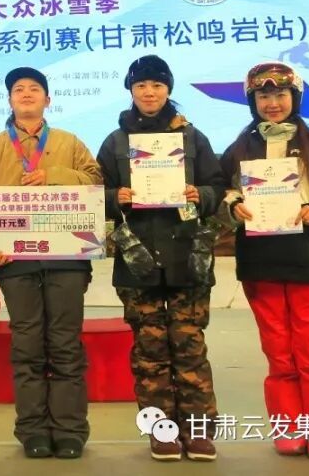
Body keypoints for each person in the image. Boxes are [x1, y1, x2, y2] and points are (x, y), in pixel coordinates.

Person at [219, 62, 309, 460]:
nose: (273, 103)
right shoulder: (239, 148)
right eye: (263, 96)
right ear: (253, 101)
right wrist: (234, 206)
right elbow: (221, 192)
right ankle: (289, 428)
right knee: (278, 353)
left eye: (280, 95)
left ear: (294, 98)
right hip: (261, 264)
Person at [95, 55, 225, 462]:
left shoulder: (193, 137)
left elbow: (218, 186)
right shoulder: (115, 142)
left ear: (168, 89)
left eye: (156, 85)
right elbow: (96, 193)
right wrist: (114, 197)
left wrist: (201, 195)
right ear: (130, 91)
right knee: (148, 352)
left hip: (188, 257)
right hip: (138, 261)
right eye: (141, 86)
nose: (149, 93)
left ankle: (199, 432)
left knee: (190, 348)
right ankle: (162, 432)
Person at [0, 67, 102, 459]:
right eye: (19, 89)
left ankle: (69, 431)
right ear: (10, 100)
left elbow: (96, 181)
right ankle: (32, 430)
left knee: (65, 344)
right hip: (15, 261)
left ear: (48, 100)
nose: (27, 94)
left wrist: (55, 175)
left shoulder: (69, 141)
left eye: (35, 88)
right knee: (27, 346)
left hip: (67, 257)